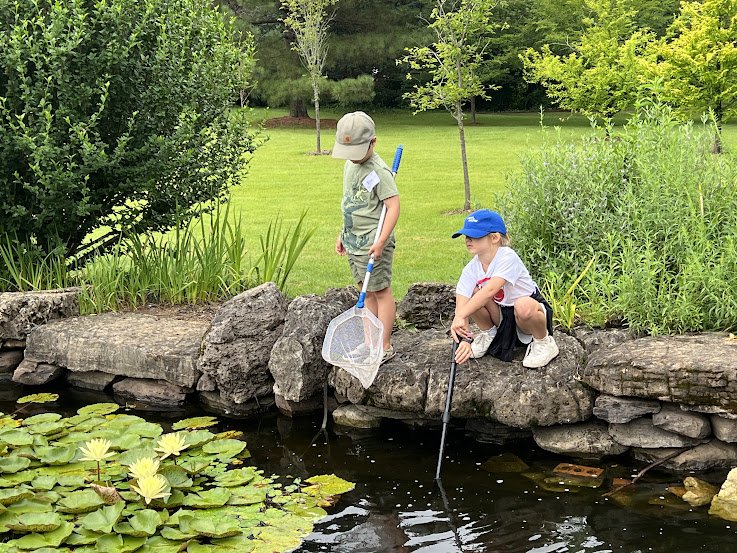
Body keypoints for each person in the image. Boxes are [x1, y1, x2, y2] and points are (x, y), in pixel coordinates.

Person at [449, 209, 559, 368]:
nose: (468, 240)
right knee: (472, 294)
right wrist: (461, 324)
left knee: (523, 305)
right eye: (466, 236)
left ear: (494, 237)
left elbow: (490, 291)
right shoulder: (472, 267)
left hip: (526, 314)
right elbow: (462, 295)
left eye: (474, 236)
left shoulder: (507, 257)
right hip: (502, 313)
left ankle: (544, 342)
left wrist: (462, 314)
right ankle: (489, 333)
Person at [332, 111, 400, 364]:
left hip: (373, 243)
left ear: (373, 142)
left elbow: (393, 206)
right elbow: (350, 203)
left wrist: (381, 240)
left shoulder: (379, 171)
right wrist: (342, 232)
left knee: (380, 291)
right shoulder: (351, 165)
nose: (352, 157)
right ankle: (369, 342)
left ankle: (383, 345)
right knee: (365, 292)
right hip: (354, 241)